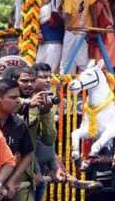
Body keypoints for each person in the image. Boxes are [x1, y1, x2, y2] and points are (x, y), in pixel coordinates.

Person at [0, 80, 35, 200]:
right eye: (13, 97)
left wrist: (13, 179)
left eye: (19, 97)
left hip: (5, 189)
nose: (18, 101)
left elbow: (28, 153)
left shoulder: (19, 124)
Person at [30, 64, 65, 201]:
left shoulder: (47, 100)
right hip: (27, 166)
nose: (48, 80)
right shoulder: (23, 102)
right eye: (43, 77)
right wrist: (34, 170)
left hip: (42, 163)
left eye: (49, 77)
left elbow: (49, 138)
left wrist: (55, 164)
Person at [60, 0, 97, 73]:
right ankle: (67, 80)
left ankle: (84, 82)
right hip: (71, 31)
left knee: (82, 60)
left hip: (83, 32)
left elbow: (93, 9)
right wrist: (67, 25)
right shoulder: (68, 0)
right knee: (67, 58)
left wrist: (95, 27)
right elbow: (67, 14)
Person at [36, 0, 65, 71]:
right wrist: (38, 32)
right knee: (40, 61)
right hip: (41, 31)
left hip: (56, 32)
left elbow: (64, 15)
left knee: (54, 60)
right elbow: (33, 15)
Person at [89, 0, 115, 70]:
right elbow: (96, 18)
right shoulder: (96, 5)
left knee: (110, 58)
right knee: (101, 57)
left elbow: (111, 20)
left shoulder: (106, 4)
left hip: (110, 33)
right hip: (102, 33)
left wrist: (106, 4)